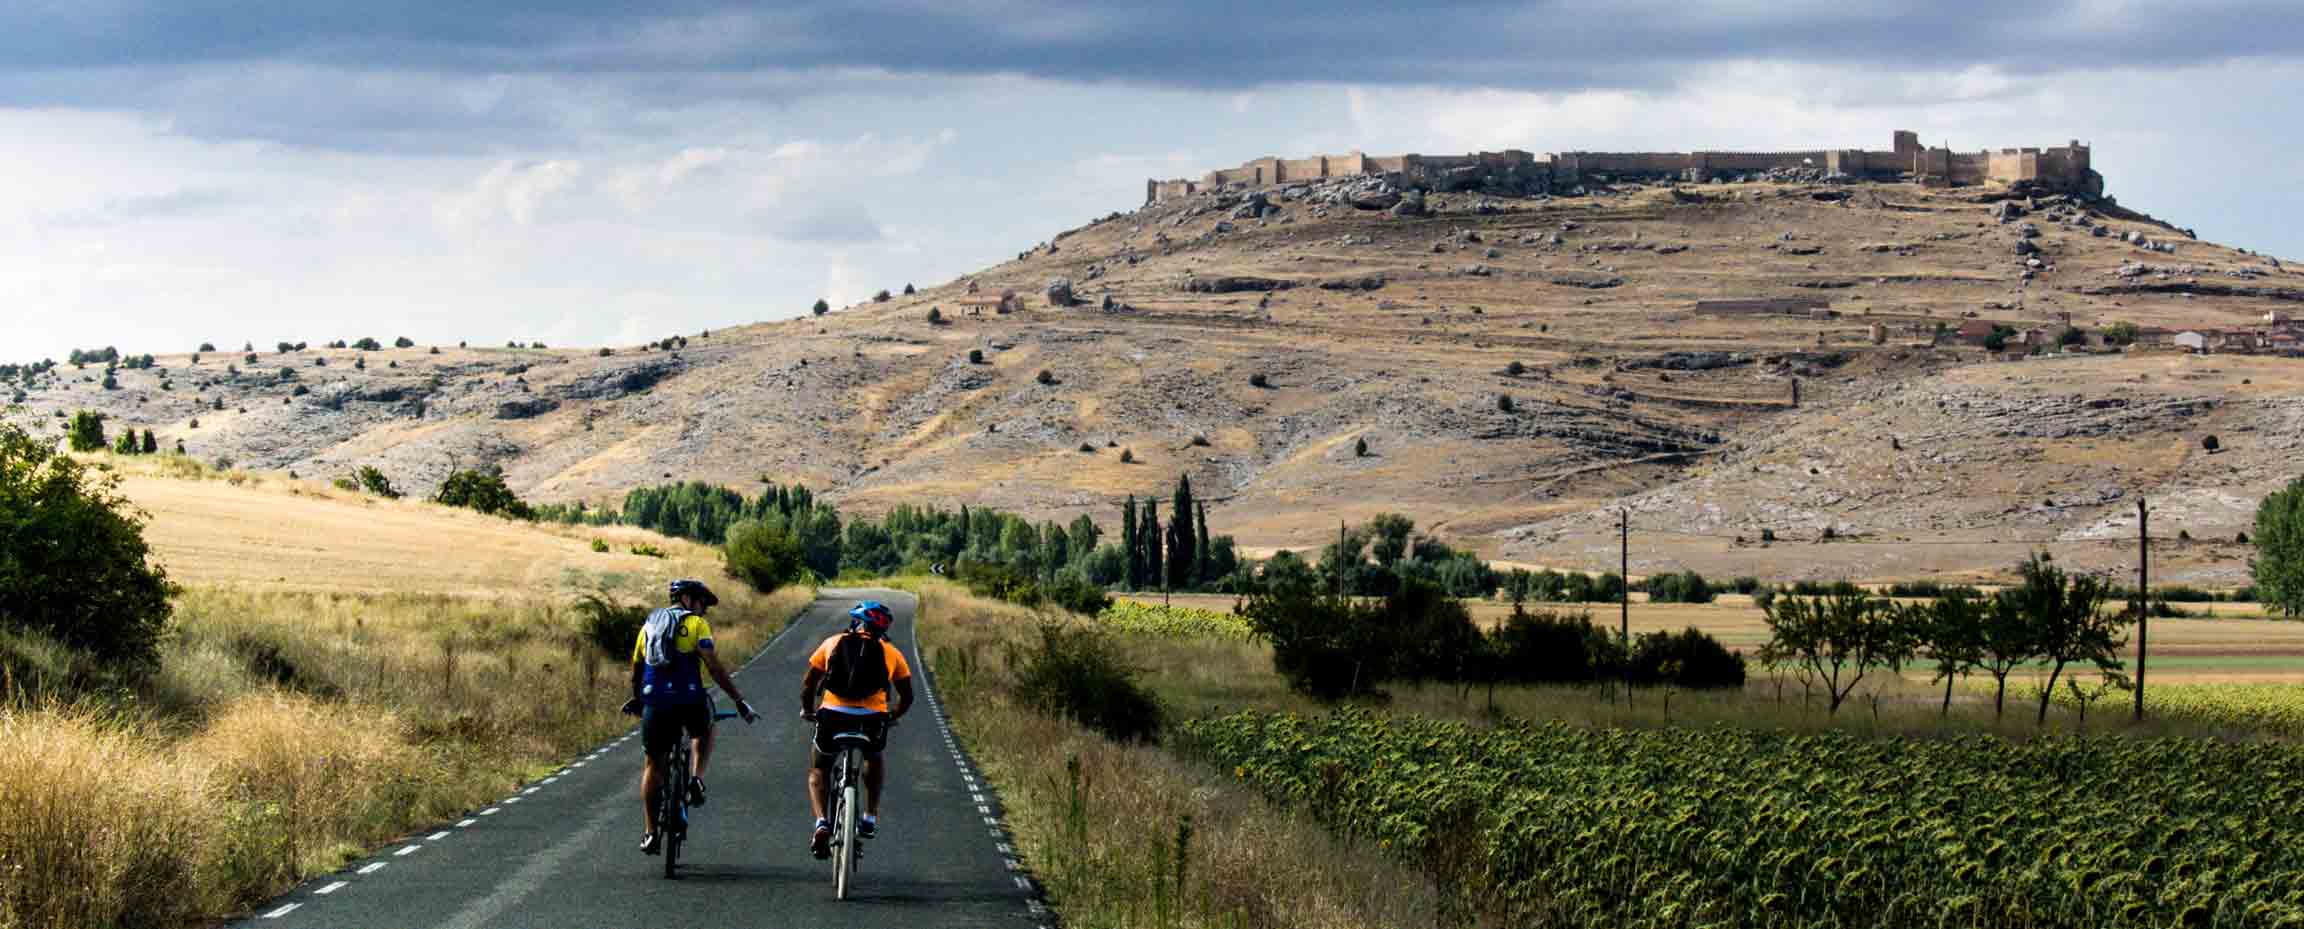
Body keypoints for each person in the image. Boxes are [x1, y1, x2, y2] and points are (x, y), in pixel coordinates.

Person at [622, 579, 756, 855]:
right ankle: (696, 777)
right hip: (689, 699)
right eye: (702, 603)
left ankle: (649, 832)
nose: (704, 610)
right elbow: (713, 666)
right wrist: (738, 700)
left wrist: (638, 699)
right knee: (706, 727)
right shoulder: (696, 625)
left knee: (653, 766)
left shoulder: (649, 625)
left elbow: (636, 669)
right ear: (687, 599)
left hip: (655, 702)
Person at [798, 599, 913, 858]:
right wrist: (892, 715)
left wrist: (807, 709)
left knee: (820, 767)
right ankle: (870, 816)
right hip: (872, 718)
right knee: (874, 756)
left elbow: (809, 683)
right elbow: (907, 696)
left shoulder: (832, 642)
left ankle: (822, 823)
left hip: (833, 716)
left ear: (855, 623)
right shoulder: (891, 652)